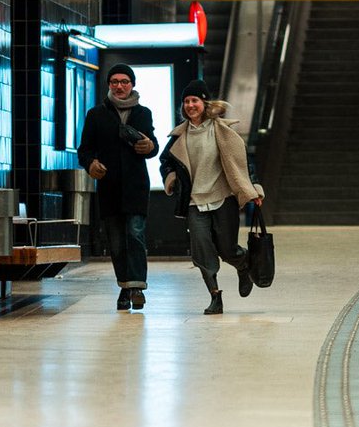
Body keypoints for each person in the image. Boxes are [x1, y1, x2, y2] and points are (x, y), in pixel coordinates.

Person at [159, 79, 264, 315]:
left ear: (204, 103)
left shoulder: (223, 131)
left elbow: (243, 163)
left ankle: (243, 264)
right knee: (201, 250)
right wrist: (171, 178)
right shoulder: (178, 136)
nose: (189, 105)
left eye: (194, 100)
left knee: (226, 249)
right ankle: (215, 296)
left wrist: (255, 189)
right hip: (194, 202)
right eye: (186, 101)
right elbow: (165, 161)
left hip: (222, 198)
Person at [77, 63, 159, 311]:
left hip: (136, 186)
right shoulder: (96, 114)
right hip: (109, 186)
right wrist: (90, 163)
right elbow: (85, 149)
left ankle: (137, 288)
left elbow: (152, 143)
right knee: (115, 240)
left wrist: (150, 147)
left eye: (125, 81)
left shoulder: (143, 113)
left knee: (135, 234)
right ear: (109, 85)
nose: (120, 86)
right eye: (115, 82)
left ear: (132, 84)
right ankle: (124, 286)